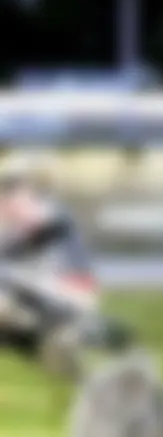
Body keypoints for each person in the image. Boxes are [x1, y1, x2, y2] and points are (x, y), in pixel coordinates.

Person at [0, 153, 106, 375]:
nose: (7, 197)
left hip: (64, 299)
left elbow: (23, 246)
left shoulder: (52, 219)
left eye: (12, 189)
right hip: (40, 297)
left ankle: (56, 344)